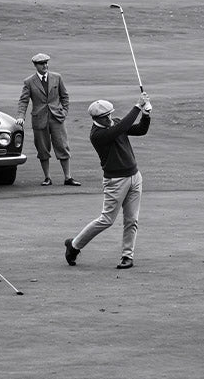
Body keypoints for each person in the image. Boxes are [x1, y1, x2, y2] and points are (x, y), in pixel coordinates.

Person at [64, 92, 151, 269]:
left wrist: (146, 115)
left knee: (131, 220)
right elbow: (120, 129)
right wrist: (137, 106)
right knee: (107, 220)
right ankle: (74, 245)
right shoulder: (97, 135)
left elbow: (140, 130)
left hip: (135, 176)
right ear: (96, 118)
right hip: (115, 182)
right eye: (106, 117)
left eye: (110, 114)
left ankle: (127, 256)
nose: (110, 119)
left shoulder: (115, 122)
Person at [15, 53, 81, 187]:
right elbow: (23, 101)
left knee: (62, 146)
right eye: (41, 64)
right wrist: (21, 116)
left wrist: (64, 112)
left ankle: (68, 177)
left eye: (46, 63)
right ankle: (47, 178)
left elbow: (65, 96)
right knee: (42, 149)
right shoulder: (29, 81)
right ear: (35, 65)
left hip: (57, 118)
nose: (45, 65)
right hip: (39, 120)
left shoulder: (57, 77)